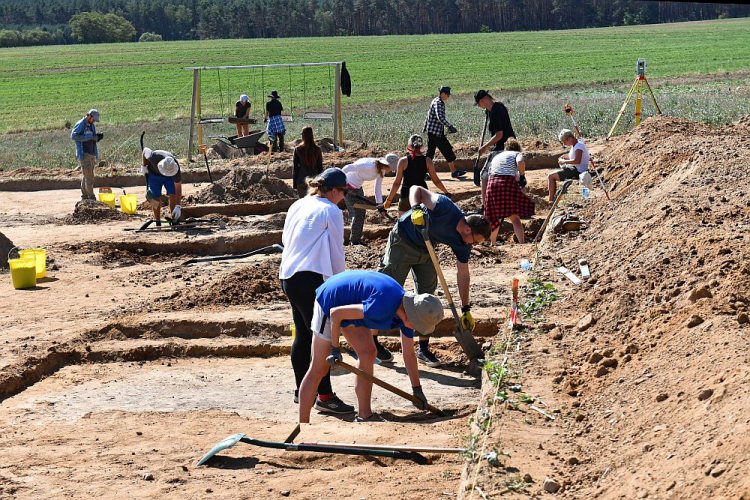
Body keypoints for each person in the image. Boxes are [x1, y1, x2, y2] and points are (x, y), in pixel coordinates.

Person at [298, 270, 444, 423]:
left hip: (353, 304)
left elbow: (408, 354)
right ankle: (303, 425)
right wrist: (335, 348)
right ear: (411, 316)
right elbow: (336, 314)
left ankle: (364, 414)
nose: (418, 328)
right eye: (419, 325)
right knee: (318, 368)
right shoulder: (382, 305)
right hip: (330, 302)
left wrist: (417, 389)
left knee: (368, 353)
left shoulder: (408, 313)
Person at [375, 185, 491, 366]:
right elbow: (417, 189)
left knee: (427, 295)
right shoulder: (445, 207)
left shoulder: (463, 244)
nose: (474, 245)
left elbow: (463, 274)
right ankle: (372, 341)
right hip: (403, 240)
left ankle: (423, 349)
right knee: (387, 288)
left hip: (426, 248)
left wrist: (465, 308)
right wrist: (415, 209)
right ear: (468, 230)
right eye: (475, 241)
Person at [280, 168, 354, 416]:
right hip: (310, 278)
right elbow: (337, 251)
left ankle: (302, 389)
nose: (344, 197)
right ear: (333, 190)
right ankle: (324, 396)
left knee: (303, 334)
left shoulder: (298, 204)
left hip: (289, 275)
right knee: (320, 339)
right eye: (343, 192)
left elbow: (286, 238)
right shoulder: (331, 210)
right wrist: (340, 285)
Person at [382, 134, 451, 215]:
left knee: (402, 224)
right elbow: (436, 181)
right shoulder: (427, 161)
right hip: (422, 196)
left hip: (406, 196)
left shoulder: (403, 161)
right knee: (423, 223)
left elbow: (397, 183)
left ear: (409, 145)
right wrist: (446, 192)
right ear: (421, 146)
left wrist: (389, 200)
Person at [485, 138, 535, 246]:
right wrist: (522, 175)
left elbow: (491, 173)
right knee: (515, 218)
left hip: (492, 184)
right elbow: (520, 162)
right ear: (518, 148)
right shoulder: (516, 154)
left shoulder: (497, 157)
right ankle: (522, 244)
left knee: (495, 218)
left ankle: (492, 244)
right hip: (506, 183)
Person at [342, 153, 399, 245]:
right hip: (348, 187)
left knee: (361, 213)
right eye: (392, 167)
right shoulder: (370, 166)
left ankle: (356, 240)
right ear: (387, 165)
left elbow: (377, 188)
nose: (392, 170)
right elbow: (347, 168)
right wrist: (342, 183)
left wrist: (380, 206)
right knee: (357, 214)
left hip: (358, 188)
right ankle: (354, 242)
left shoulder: (382, 171)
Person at [474, 90, 516, 209]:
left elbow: (499, 135)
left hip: (501, 148)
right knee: (512, 176)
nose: (479, 106)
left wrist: (484, 147)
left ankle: (485, 205)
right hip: (511, 145)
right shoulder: (498, 106)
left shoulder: (495, 112)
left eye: (478, 104)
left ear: (483, 100)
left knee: (484, 175)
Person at [423, 86, 466, 179]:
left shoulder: (435, 100)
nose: (448, 97)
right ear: (442, 93)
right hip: (436, 132)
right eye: (447, 94)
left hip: (432, 131)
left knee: (430, 152)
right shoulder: (438, 103)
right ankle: (454, 172)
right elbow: (440, 117)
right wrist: (449, 126)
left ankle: (422, 173)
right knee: (446, 149)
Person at [141, 148, 182, 224]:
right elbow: (144, 150)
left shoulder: (175, 170)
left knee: (173, 194)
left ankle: (174, 220)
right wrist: (144, 166)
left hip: (169, 177)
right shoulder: (153, 157)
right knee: (155, 197)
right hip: (154, 173)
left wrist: (178, 206)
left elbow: (178, 189)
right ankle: (157, 221)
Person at [548, 129, 590, 202]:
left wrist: (564, 161)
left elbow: (577, 161)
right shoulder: (576, 145)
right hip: (575, 169)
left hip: (577, 171)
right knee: (553, 175)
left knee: (551, 177)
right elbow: (574, 156)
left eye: (564, 142)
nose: (564, 144)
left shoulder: (578, 147)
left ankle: (550, 201)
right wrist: (565, 156)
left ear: (570, 139)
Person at [71, 109, 102, 201]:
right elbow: (73, 136)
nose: (94, 121)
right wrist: (90, 137)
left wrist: (97, 137)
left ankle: (84, 197)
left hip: (91, 153)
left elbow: (92, 137)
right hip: (84, 153)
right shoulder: (81, 124)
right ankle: (91, 198)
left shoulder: (91, 125)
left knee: (86, 175)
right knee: (89, 177)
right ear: (89, 116)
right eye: (93, 119)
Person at [292, 127, 324, 198]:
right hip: (314, 181)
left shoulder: (298, 149)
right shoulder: (317, 149)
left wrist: (295, 184)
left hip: (301, 180)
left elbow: (295, 168)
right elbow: (320, 167)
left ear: (303, 136)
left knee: (303, 203)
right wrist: (321, 183)